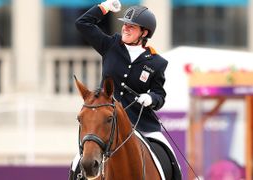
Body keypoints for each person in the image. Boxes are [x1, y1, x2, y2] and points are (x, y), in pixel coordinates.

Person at [69, 0, 182, 179]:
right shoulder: (110, 45)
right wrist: (103, 7)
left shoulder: (157, 62)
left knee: (171, 160)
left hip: (141, 123)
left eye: (132, 27)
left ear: (144, 33)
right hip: (106, 123)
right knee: (78, 162)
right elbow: (82, 23)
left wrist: (151, 98)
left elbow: (160, 95)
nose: (125, 29)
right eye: (125, 25)